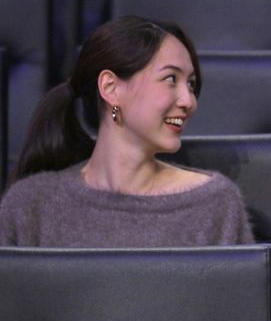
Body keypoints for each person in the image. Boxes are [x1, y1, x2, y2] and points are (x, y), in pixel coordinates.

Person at [0, 15, 254, 246]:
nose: (189, 101)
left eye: (191, 85)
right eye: (170, 79)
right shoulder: (30, 205)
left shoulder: (215, 204)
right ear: (111, 88)